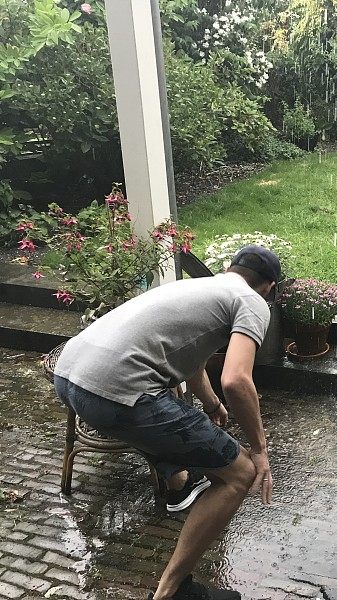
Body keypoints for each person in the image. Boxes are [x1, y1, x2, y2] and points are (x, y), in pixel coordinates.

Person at [53, 245, 280, 600]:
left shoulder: (197, 287)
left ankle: (179, 487)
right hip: (116, 392)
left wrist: (210, 403)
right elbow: (237, 379)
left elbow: (190, 358)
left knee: (174, 425)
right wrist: (260, 449)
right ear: (268, 286)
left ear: (227, 267)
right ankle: (170, 592)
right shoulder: (252, 301)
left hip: (68, 377)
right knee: (240, 474)